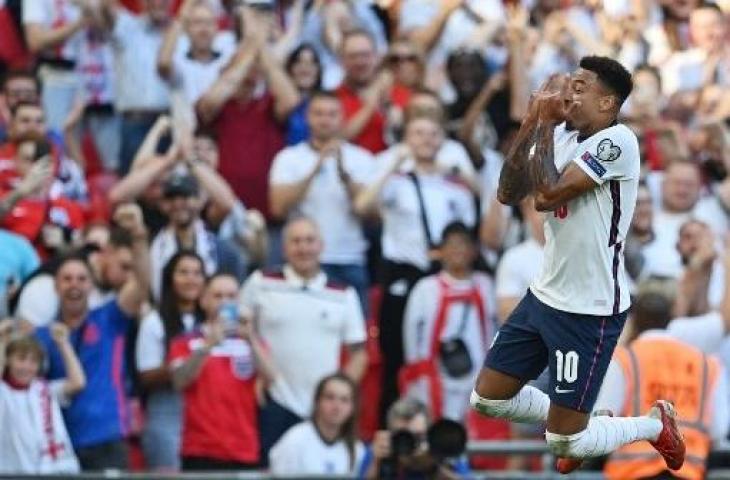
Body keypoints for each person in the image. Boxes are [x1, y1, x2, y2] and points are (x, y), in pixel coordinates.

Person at [470, 57, 686, 474]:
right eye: (570, 83)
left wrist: (539, 121)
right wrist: (535, 123)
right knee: (487, 399)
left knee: (564, 442)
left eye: (581, 87)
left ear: (607, 103)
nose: (569, 92)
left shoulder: (618, 140)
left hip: (589, 307)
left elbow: (547, 195)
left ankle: (653, 425)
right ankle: (585, 418)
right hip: (544, 293)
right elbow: (507, 192)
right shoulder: (563, 135)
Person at [354, 113, 476, 422]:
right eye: (418, 133)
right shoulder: (396, 181)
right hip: (403, 273)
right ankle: (392, 427)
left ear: (443, 141)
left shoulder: (454, 185)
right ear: (406, 139)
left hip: (440, 275)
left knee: (440, 355)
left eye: (433, 133)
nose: (425, 140)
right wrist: (392, 165)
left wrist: (466, 175)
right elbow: (362, 207)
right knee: (396, 355)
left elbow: (471, 228)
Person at [239, 216, 368, 462]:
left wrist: (337, 395)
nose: (303, 248)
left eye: (310, 241)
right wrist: (253, 376)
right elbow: (237, 331)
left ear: (321, 246)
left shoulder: (343, 294)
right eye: (296, 241)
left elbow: (359, 354)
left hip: (323, 410)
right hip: (273, 401)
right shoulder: (261, 282)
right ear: (284, 247)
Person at [34, 203, 149, 471]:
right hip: (59, 443)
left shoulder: (110, 317)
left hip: (106, 438)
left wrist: (139, 236)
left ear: (91, 284)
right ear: (56, 285)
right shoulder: (42, 335)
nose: (74, 285)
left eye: (81, 279)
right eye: (67, 279)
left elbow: (142, 284)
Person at [597, 280, 729, 480]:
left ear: (634, 320)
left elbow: (602, 422)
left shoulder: (625, 359)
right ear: (671, 318)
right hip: (688, 471)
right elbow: (718, 431)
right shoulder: (706, 363)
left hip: (631, 472)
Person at [269, 90, 375, 309]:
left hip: (350, 259)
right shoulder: (288, 158)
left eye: (332, 114)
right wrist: (315, 168)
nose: (325, 120)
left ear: (342, 118)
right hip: (303, 259)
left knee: (355, 336)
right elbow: (278, 208)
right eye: (318, 113)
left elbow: (373, 214)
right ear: (307, 117)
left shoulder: (362, 159)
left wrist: (345, 177)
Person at [196, 8, 299, 219]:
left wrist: (259, 48)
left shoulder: (267, 105)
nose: (248, 74)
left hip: (267, 211)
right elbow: (209, 103)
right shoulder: (218, 108)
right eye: (244, 68)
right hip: (223, 211)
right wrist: (249, 50)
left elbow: (291, 101)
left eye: (254, 69)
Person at [169, 273, 277, 471]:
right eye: (217, 296)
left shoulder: (252, 342)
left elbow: (271, 379)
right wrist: (207, 346)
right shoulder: (185, 341)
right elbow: (179, 381)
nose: (225, 302)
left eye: (231, 296)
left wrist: (251, 339)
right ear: (204, 300)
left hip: (243, 448)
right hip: (200, 450)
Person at [400, 222, 496, 421]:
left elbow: (498, 328)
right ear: (440, 251)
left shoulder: (486, 285)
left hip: (478, 380)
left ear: (474, 251)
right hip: (435, 382)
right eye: (451, 245)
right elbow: (409, 335)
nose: (458, 251)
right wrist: (417, 375)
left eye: (463, 245)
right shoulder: (425, 288)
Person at [136, 251, 206, 471]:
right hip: (167, 413)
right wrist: (179, 367)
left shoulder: (212, 321)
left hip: (206, 414)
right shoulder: (154, 321)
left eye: (197, 273)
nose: (191, 279)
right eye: (183, 273)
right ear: (169, 279)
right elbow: (146, 374)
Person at [0, 320, 84, 474]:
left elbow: (77, 382)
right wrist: (2, 341)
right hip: (14, 473)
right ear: (8, 361)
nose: (27, 367)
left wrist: (63, 343)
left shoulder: (44, 389)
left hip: (55, 471)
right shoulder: (3, 391)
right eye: (21, 359)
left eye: (33, 361)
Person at [149, 170, 246, 301]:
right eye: (171, 198)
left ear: (199, 200)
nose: (178, 204)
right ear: (163, 204)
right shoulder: (150, 248)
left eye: (185, 196)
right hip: (163, 316)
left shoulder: (225, 253)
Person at [269, 373, 364, 476]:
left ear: (353, 408)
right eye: (330, 397)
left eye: (344, 400)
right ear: (317, 401)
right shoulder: (295, 441)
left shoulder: (357, 449)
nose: (337, 406)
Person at [360, 397, 470, 479]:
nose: (411, 442)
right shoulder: (379, 452)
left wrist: (433, 467)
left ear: (430, 432)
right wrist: (376, 464)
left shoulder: (443, 450)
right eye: (403, 436)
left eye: (418, 436)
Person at [283, 44, 322, 145]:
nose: (305, 68)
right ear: (290, 68)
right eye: (299, 62)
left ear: (318, 70)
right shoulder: (278, 101)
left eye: (311, 63)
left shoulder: (327, 101)